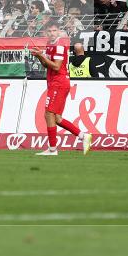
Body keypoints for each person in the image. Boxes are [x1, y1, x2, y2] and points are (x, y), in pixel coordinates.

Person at [30, 21, 91, 156]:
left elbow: (57, 66)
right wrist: (40, 56)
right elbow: (47, 65)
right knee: (56, 118)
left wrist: (41, 56)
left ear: (58, 31)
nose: (52, 33)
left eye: (54, 31)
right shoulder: (50, 44)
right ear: (46, 32)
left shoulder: (59, 45)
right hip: (54, 82)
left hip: (59, 82)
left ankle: (52, 149)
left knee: (48, 114)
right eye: (49, 31)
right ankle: (83, 136)